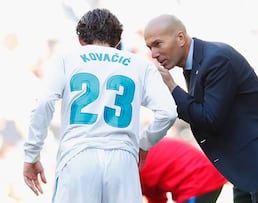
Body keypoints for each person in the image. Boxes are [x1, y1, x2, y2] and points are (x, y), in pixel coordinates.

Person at [143, 14, 258, 203]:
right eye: (150, 47)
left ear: (180, 38)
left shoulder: (216, 59)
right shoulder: (198, 62)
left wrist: (171, 87)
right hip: (250, 166)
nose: (154, 54)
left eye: (158, 44)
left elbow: (210, 118)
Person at [23, 8, 177, 203]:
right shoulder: (140, 65)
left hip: (78, 157)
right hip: (123, 162)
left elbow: (44, 102)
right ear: (117, 41)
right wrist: (144, 143)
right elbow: (168, 113)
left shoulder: (66, 59)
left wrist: (32, 155)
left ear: (80, 40)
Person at [140, 136, 227, 203]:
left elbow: (153, 195)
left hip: (199, 178)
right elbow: (156, 197)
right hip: (203, 174)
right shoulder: (139, 152)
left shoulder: (136, 166)